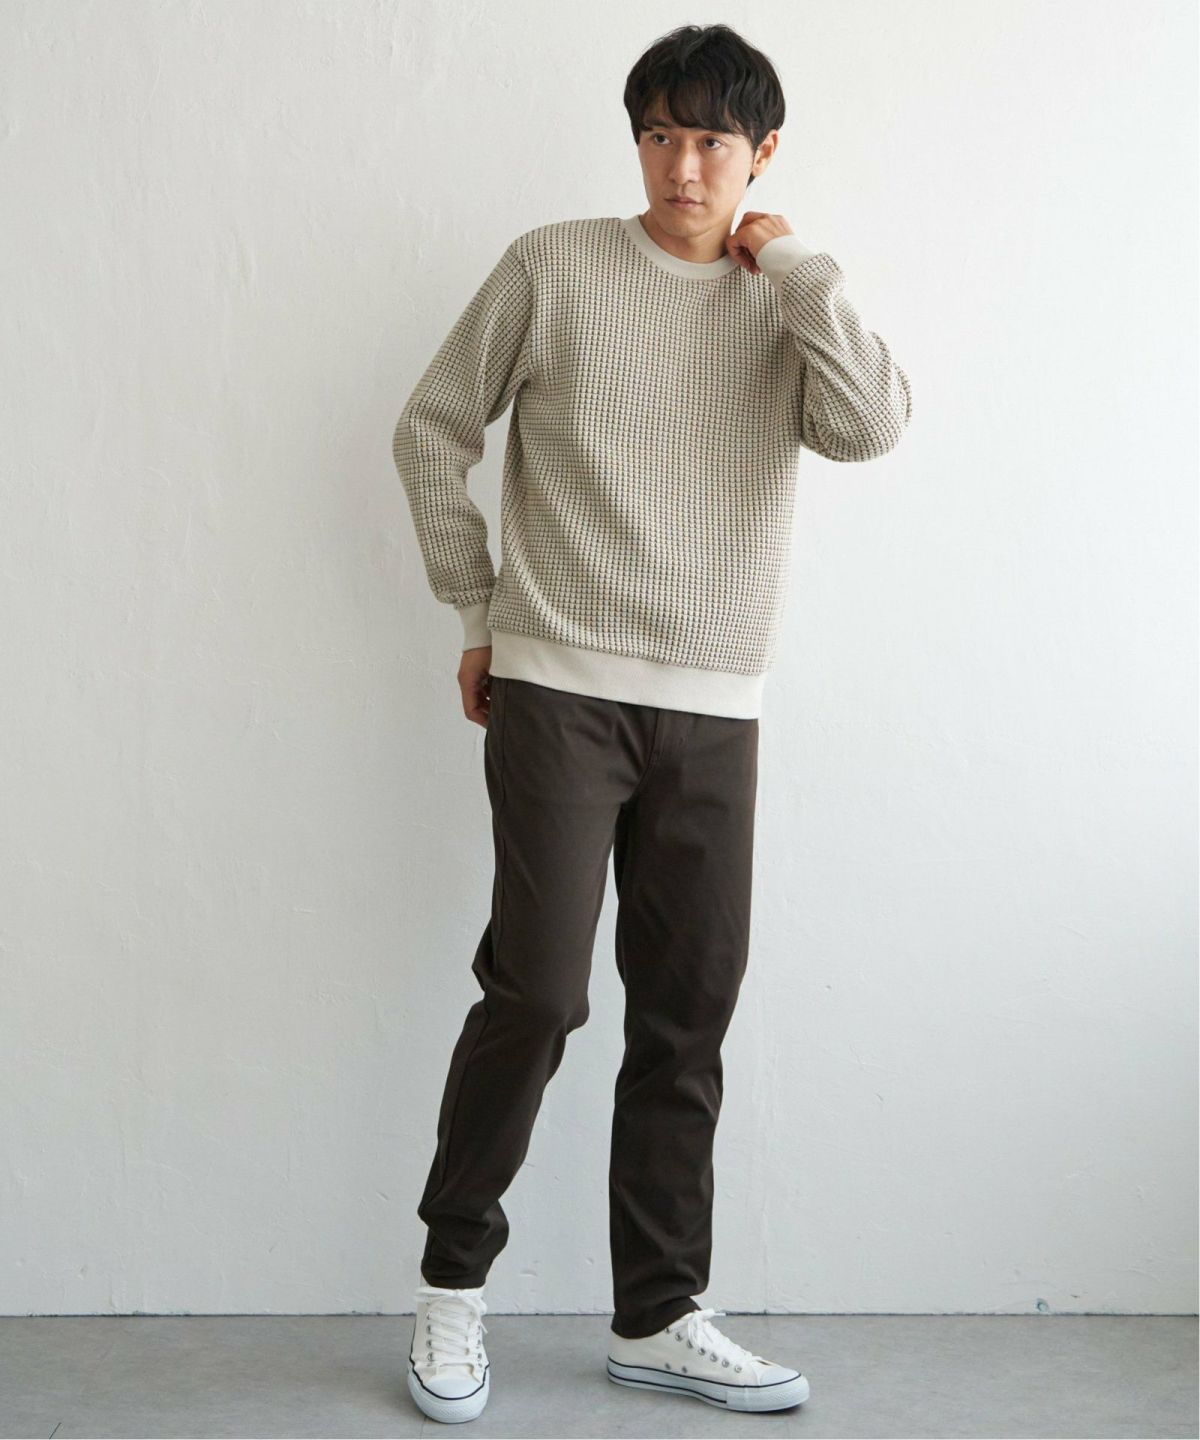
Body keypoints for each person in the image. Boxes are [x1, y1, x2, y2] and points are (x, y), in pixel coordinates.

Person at [391, 21, 913, 1423]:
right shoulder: (554, 266)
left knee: (687, 1014)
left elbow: (872, 426)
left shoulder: (784, 300)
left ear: (762, 155)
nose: (684, 168)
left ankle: (660, 1314)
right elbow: (433, 423)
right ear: (637, 143)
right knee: (539, 991)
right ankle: (451, 1285)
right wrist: (477, 608)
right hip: (558, 686)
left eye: (713, 142)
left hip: (715, 708)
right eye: (661, 137)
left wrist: (799, 269)